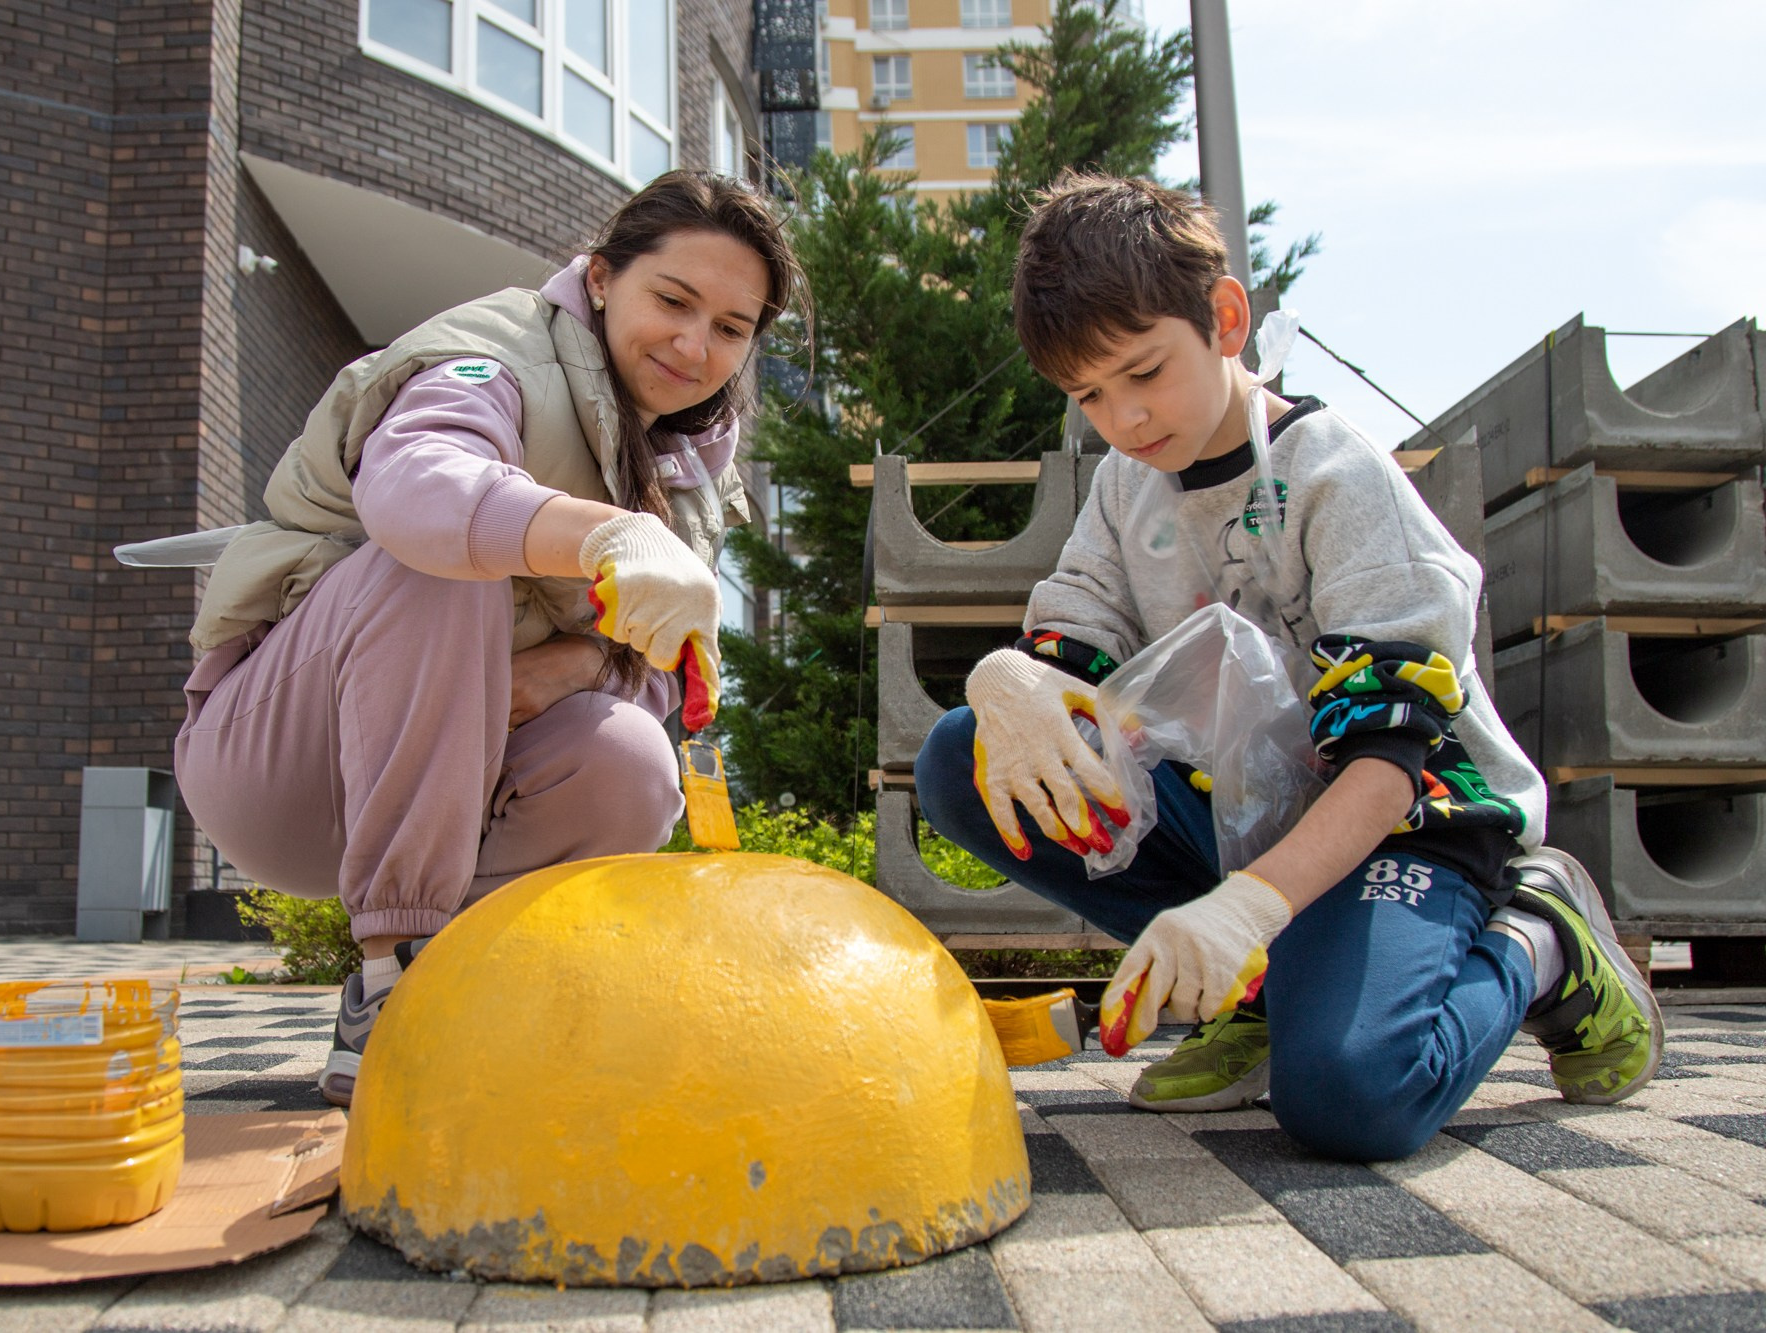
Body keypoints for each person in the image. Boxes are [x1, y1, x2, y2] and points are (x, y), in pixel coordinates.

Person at [915, 173, 1661, 1162]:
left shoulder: (1335, 477)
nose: (1124, 418)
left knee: (1351, 1096)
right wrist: (1001, 682)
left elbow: (1389, 763)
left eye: (1142, 372)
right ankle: (1263, 990)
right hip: (1246, 807)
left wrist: (1245, 906)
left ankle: (1543, 935)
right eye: (1087, 394)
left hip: (1416, 818)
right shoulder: (1121, 489)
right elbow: (1065, 664)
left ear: (1224, 319)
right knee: (968, 756)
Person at [169, 172, 803, 1106]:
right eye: (672, 300)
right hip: (280, 765)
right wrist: (604, 533)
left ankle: (480, 985)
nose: (692, 344)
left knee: (631, 759)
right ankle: (394, 974)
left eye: (729, 328)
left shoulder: (695, 468)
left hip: (459, 797)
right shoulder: (493, 355)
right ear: (598, 279)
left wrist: (579, 664)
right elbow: (418, 489)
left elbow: (665, 672)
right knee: (437, 562)